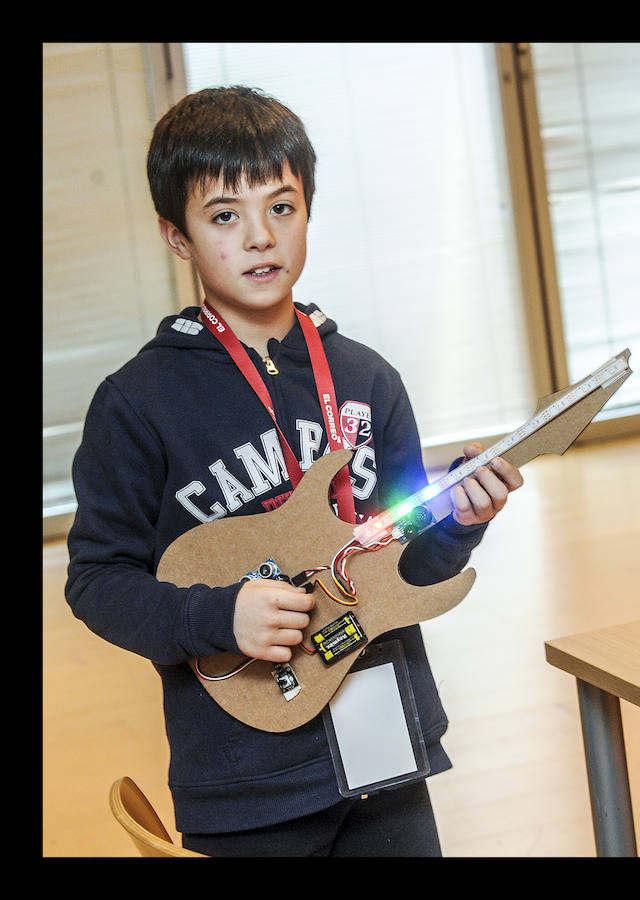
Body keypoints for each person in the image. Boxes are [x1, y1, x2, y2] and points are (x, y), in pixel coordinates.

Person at [65, 85, 523, 857]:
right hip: (246, 779)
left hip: (384, 754)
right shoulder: (135, 404)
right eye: (223, 217)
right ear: (176, 236)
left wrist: (460, 524)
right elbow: (96, 581)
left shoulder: (368, 379)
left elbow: (405, 559)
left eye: (281, 207)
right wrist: (217, 617)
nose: (258, 238)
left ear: (309, 209)